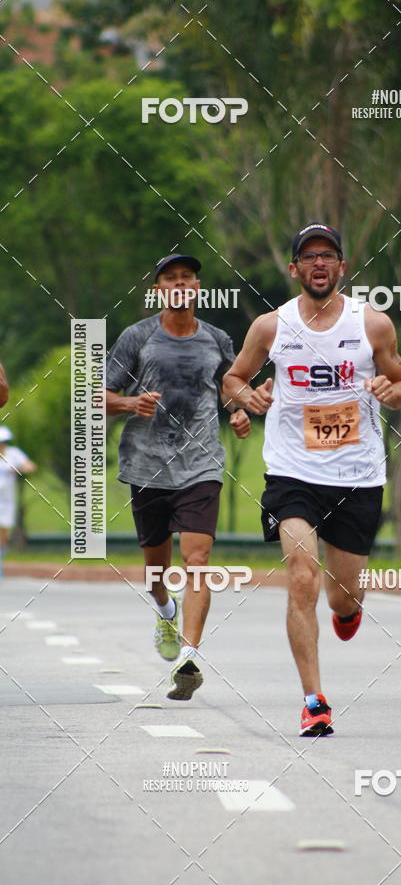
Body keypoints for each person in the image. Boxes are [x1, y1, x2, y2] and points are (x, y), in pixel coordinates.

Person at [223, 223, 401, 735]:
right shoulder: (271, 327)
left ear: (342, 267)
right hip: (293, 473)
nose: (319, 264)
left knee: (343, 596)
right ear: (295, 269)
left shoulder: (372, 325)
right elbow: (233, 378)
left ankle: (347, 611)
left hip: (357, 473)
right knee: (302, 577)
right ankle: (313, 700)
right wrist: (248, 399)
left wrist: (388, 390)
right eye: (309, 257)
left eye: (328, 255)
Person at [105, 253, 250, 700]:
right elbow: (98, 396)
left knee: (198, 560)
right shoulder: (138, 338)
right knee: (156, 572)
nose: (180, 283)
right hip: (147, 464)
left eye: (187, 277)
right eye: (171, 278)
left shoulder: (218, 340)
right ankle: (164, 608)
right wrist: (131, 404)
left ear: (198, 287)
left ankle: (190, 657)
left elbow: (232, 386)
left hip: (200, 463)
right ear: (158, 290)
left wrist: (240, 412)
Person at [0, 426, 36, 577]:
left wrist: (16, 468)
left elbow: (31, 466)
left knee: (4, 534)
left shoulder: (13, 454)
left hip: (7, 502)